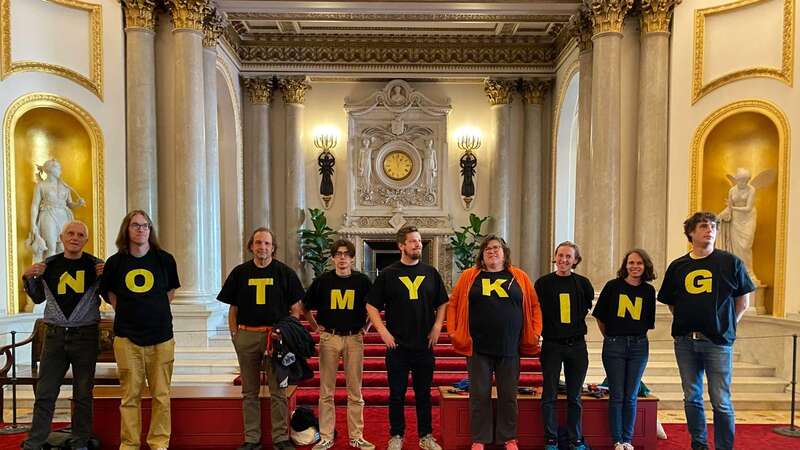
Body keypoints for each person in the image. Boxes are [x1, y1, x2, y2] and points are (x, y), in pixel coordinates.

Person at [658, 212, 754, 450]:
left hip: (718, 343)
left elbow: (743, 301)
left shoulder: (731, 262)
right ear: (691, 233)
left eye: (713, 226)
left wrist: (727, 325)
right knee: (691, 397)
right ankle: (698, 444)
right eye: (703, 226)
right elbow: (672, 302)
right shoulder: (678, 266)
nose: (710, 230)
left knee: (721, 400)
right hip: (685, 342)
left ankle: (724, 447)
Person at [447, 235, 542, 450]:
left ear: (504, 252)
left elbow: (534, 306)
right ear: (482, 254)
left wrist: (536, 332)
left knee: (508, 395)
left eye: (496, 248)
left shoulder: (519, 276)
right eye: (488, 249)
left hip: (510, 346)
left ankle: (508, 438)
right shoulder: (470, 276)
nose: (492, 252)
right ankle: (480, 438)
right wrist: (453, 332)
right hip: (478, 347)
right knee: (479, 395)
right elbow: (453, 305)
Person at [217, 228, 305, 450]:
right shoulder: (240, 273)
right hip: (246, 336)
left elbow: (295, 309)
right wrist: (235, 335)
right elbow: (233, 309)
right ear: (251, 246)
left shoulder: (285, 273)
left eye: (266, 243)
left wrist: (286, 333)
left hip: (275, 339)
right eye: (258, 243)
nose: (262, 247)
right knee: (249, 392)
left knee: (278, 390)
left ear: (273, 247)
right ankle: (252, 439)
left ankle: (280, 438)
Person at [20, 221, 103, 450]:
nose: (75, 237)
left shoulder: (96, 266)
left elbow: (108, 295)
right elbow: (37, 298)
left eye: (80, 234)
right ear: (62, 237)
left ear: (86, 240)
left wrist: (108, 276)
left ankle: (80, 441)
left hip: (85, 335)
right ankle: (35, 442)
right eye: (70, 233)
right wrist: (26, 277)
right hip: (54, 336)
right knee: (45, 393)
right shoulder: (49, 264)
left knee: (83, 394)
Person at [101, 210, 180, 450]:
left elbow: (170, 294)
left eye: (145, 226)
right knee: (129, 397)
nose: (141, 229)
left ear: (150, 230)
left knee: (161, 396)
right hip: (127, 339)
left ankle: (158, 444)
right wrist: (130, 311)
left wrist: (151, 310)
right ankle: (130, 444)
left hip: (161, 338)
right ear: (127, 229)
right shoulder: (115, 263)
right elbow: (110, 295)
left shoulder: (164, 259)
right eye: (135, 225)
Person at [366, 225, 448, 450]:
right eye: (413, 241)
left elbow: (442, 302)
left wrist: (438, 326)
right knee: (397, 395)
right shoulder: (389, 274)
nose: (418, 244)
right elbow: (371, 305)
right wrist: (382, 331)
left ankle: (426, 436)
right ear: (401, 245)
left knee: (423, 393)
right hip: (398, 347)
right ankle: (397, 435)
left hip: (424, 344)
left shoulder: (431, 272)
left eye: (419, 241)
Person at [302, 239, 375, 450]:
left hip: (354, 338)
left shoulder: (362, 281)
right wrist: (316, 328)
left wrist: (366, 328)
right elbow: (305, 308)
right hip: (330, 338)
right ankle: (326, 436)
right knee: (326, 391)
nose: (342, 258)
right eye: (338, 254)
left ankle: (356, 436)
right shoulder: (323, 281)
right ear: (333, 258)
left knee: (355, 391)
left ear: (352, 258)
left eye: (346, 254)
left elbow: (374, 306)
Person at [592, 249, 657, 450]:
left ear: (645, 266)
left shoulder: (648, 291)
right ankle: (617, 440)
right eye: (631, 262)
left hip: (639, 346)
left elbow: (647, 322)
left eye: (639, 263)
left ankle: (628, 440)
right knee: (617, 394)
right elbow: (600, 317)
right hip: (614, 345)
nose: (635, 266)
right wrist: (612, 338)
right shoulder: (613, 287)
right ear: (625, 265)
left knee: (631, 395)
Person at [534, 241, 594, 450]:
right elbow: (536, 311)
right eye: (560, 255)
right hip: (551, 345)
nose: (563, 260)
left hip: (577, 346)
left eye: (569, 256)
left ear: (575, 260)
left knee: (574, 396)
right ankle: (551, 439)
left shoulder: (583, 283)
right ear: (555, 256)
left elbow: (586, 307)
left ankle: (575, 438)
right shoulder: (542, 283)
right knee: (549, 394)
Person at [28, 159, 85, 262]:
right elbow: (35, 205)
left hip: (64, 216)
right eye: (58, 168)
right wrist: (33, 224)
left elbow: (69, 204)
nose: (60, 170)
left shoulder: (64, 186)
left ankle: (62, 273)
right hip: (48, 215)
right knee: (51, 247)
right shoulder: (41, 185)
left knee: (63, 248)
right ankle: (49, 275)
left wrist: (78, 204)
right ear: (50, 170)